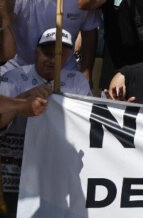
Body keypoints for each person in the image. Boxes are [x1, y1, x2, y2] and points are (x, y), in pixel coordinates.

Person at [0, 28, 86, 213]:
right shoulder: (13, 78)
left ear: (69, 56)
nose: (53, 59)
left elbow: (86, 125)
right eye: (47, 53)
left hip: (56, 175)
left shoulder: (77, 81)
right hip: (15, 170)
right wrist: (23, 99)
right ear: (36, 52)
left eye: (60, 54)